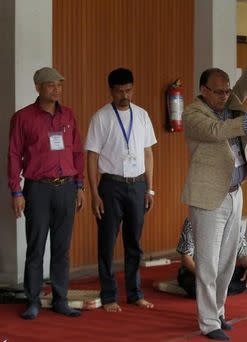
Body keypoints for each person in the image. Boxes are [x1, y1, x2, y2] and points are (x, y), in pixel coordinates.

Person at [182, 24, 247, 341]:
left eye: (226, 90)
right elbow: (219, 132)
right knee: (207, 263)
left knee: (228, 260)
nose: (224, 95)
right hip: (207, 198)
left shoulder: (229, 102)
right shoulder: (193, 114)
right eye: (218, 91)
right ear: (203, 90)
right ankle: (208, 323)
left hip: (234, 193)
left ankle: (218, 312)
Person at [8, 67, 85, 319]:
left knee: (62, 248)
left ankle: (60, 299)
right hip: (38, 189)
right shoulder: (23, 118)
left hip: (66, 187)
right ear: (38, 88)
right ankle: (33, 301)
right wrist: (16, 191)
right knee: (36, 246)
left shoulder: (69, 116)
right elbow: (13, 155)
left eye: (59, 85)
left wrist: (79, 185)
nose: (57, 89)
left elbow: (76, 152)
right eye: (51, 85)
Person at [85, 68, 157, 312]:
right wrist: (94, 194)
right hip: (111, 186)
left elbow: (148, 153)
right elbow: (92, 157)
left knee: (134, 243)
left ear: (133, 88)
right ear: (111, 91)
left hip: (137, 186)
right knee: (107, 243)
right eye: (119, 91)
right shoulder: (101, 117)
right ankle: (108, 296)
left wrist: (150, 189)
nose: (124, 95)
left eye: (128, 90)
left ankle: (135, 293)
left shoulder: (143, 116)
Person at [176, 218, 247, 298]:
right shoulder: (194, 219)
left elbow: (242, 252)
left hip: (223, 272)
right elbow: (186, 259)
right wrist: (205, 276)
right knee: (195, 288)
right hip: (197, 273)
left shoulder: (232, 222)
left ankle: (218, 289)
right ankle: (225, 289)